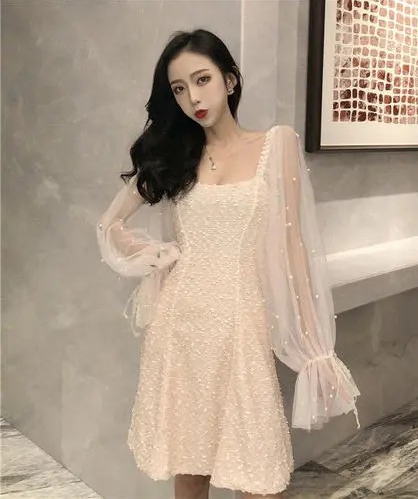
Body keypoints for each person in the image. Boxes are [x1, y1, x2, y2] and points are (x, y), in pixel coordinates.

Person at [96, 28, 361, 499]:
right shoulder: (175, 156)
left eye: (202, 80)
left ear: (230, 80)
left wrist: (314, 349)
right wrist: (154, 254)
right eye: (179, 89)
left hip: (241, 324)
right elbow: (110, 224)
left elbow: (294, 251)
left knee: (256, 472)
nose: (193, 98)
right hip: (180, 325)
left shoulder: (276, 145)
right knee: (190, 469)